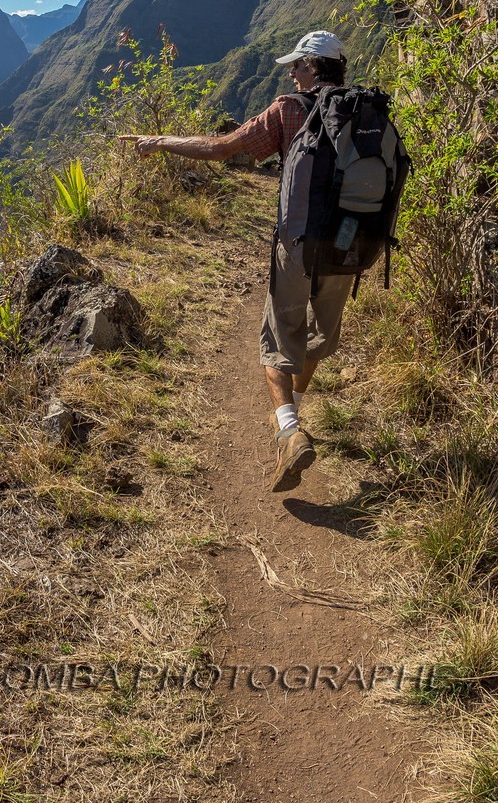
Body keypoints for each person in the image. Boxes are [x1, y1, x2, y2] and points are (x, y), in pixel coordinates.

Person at [122, 29, 354, 493]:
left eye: (296, 66)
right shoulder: (365, 110)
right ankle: (296, 412)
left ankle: (288, 430)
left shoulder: (290, 109)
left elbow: (222, 148)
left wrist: (161, 140)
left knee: (277, 337)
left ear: (313, 68)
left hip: (300, 245)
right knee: (318, 334)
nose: (290, 73)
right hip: (351, 248)